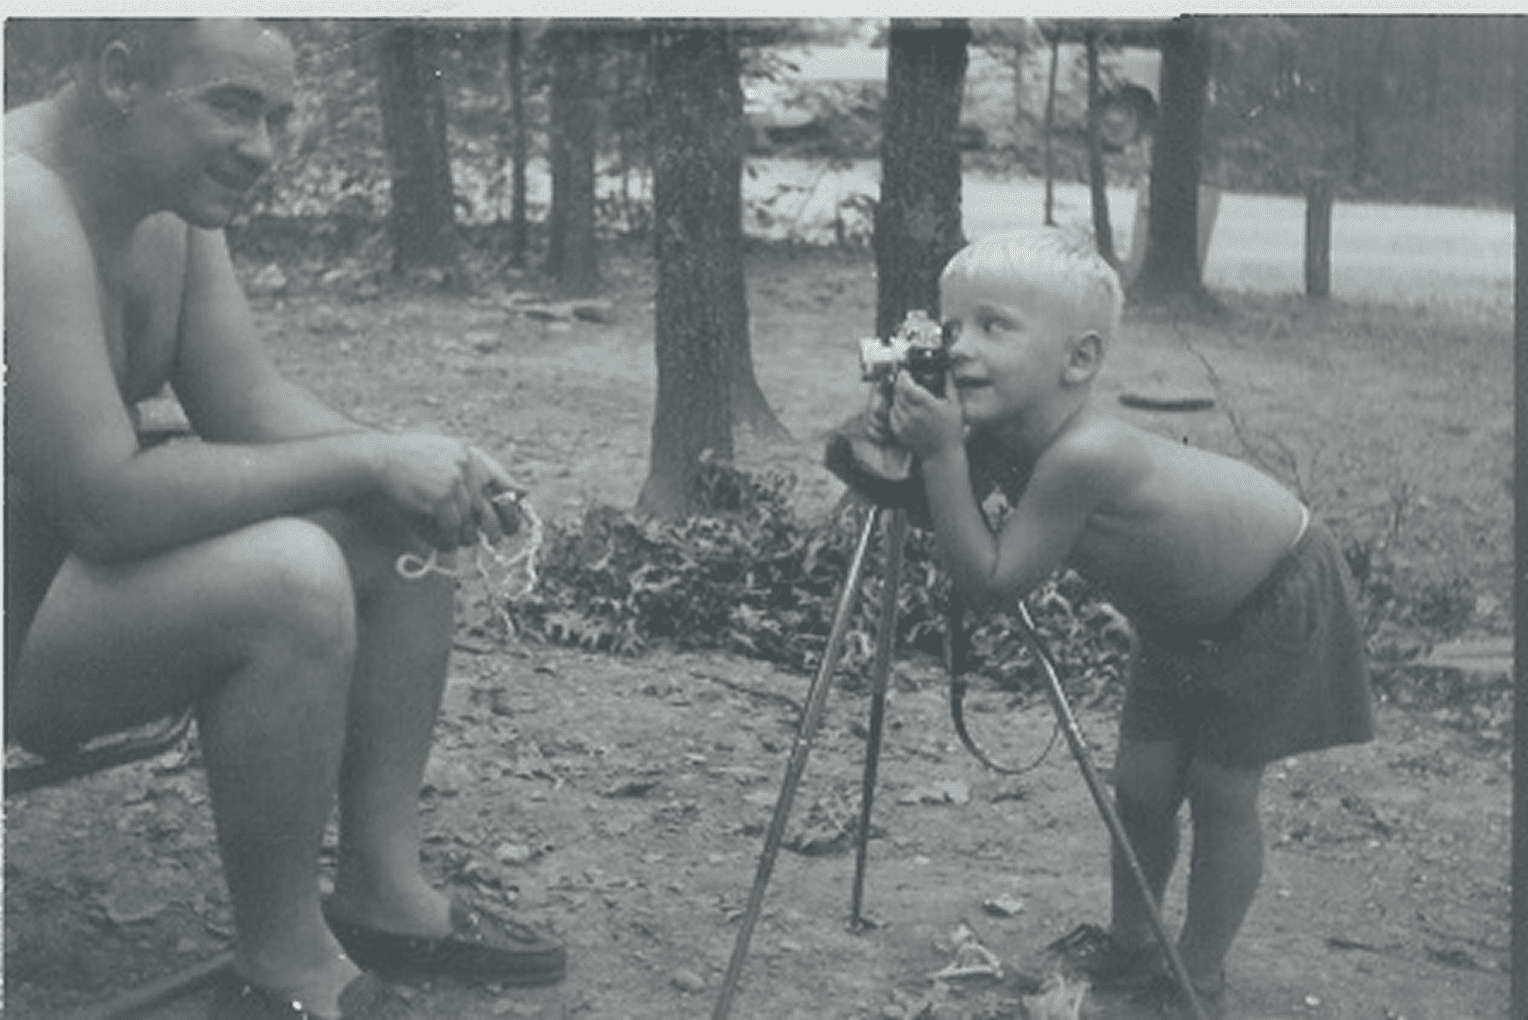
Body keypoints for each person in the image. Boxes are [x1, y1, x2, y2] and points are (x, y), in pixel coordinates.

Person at [5, 19, 564, 1019]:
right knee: (294, 578)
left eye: (277, 117)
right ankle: (287, 971)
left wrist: (421, 464)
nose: (261, 147)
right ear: (122, 77)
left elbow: (248, 407)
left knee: (395, 521)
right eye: (230, 105)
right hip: (21, 627)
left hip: (48, 594)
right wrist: (370, 455)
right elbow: (104, 505)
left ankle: (382, 889)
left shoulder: (167, 207)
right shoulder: (19, 203)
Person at [870, 229, 1372, 1018]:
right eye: (952, 327)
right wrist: (913, 444)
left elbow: (994, 582)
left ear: (1078, 360)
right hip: (1177, 622)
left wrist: (941, 458)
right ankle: (1133, 942)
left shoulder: (1084, 455)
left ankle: (1196, 969)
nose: (962, 348)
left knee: (1219, 791)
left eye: (994, 327)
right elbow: (963, 527)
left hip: (1275, 595)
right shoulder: (1005, 437)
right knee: (1139, 789)